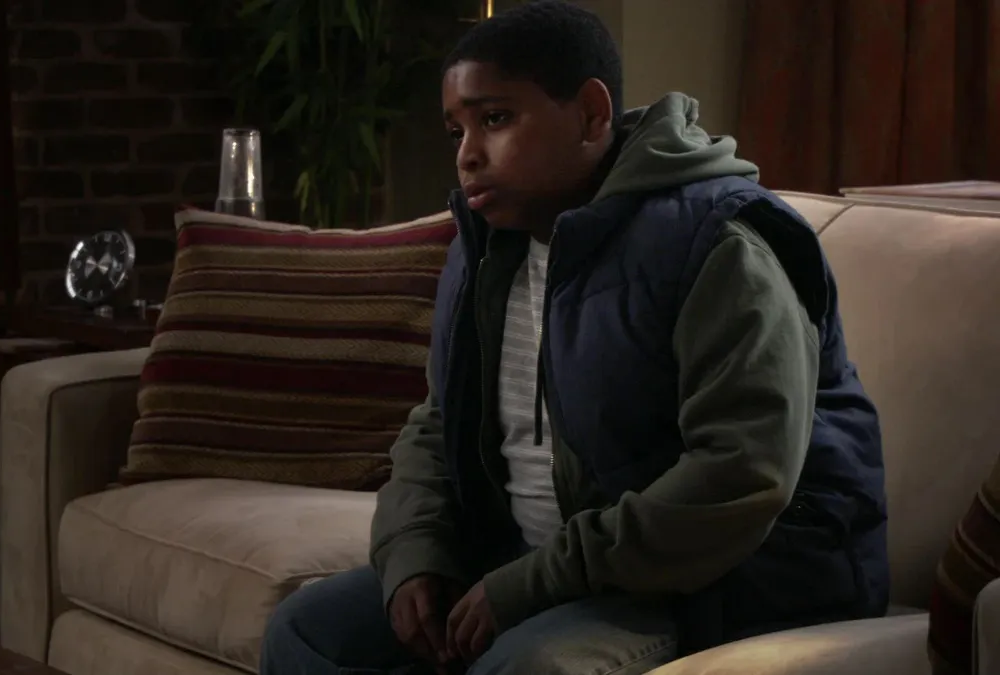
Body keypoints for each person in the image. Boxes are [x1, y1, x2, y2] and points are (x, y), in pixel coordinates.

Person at [259, 1, 888, 673]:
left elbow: (742, 475)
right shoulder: (484, 250)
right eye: (457, 130)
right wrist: (414, 551)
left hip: (720, 583)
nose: (468, 154)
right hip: (537, 565)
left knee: (525, 666)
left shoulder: (718, 244)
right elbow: (439, 423)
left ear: (590, 115)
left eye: (495, 119)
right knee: (305, 631)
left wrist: (529, 584)